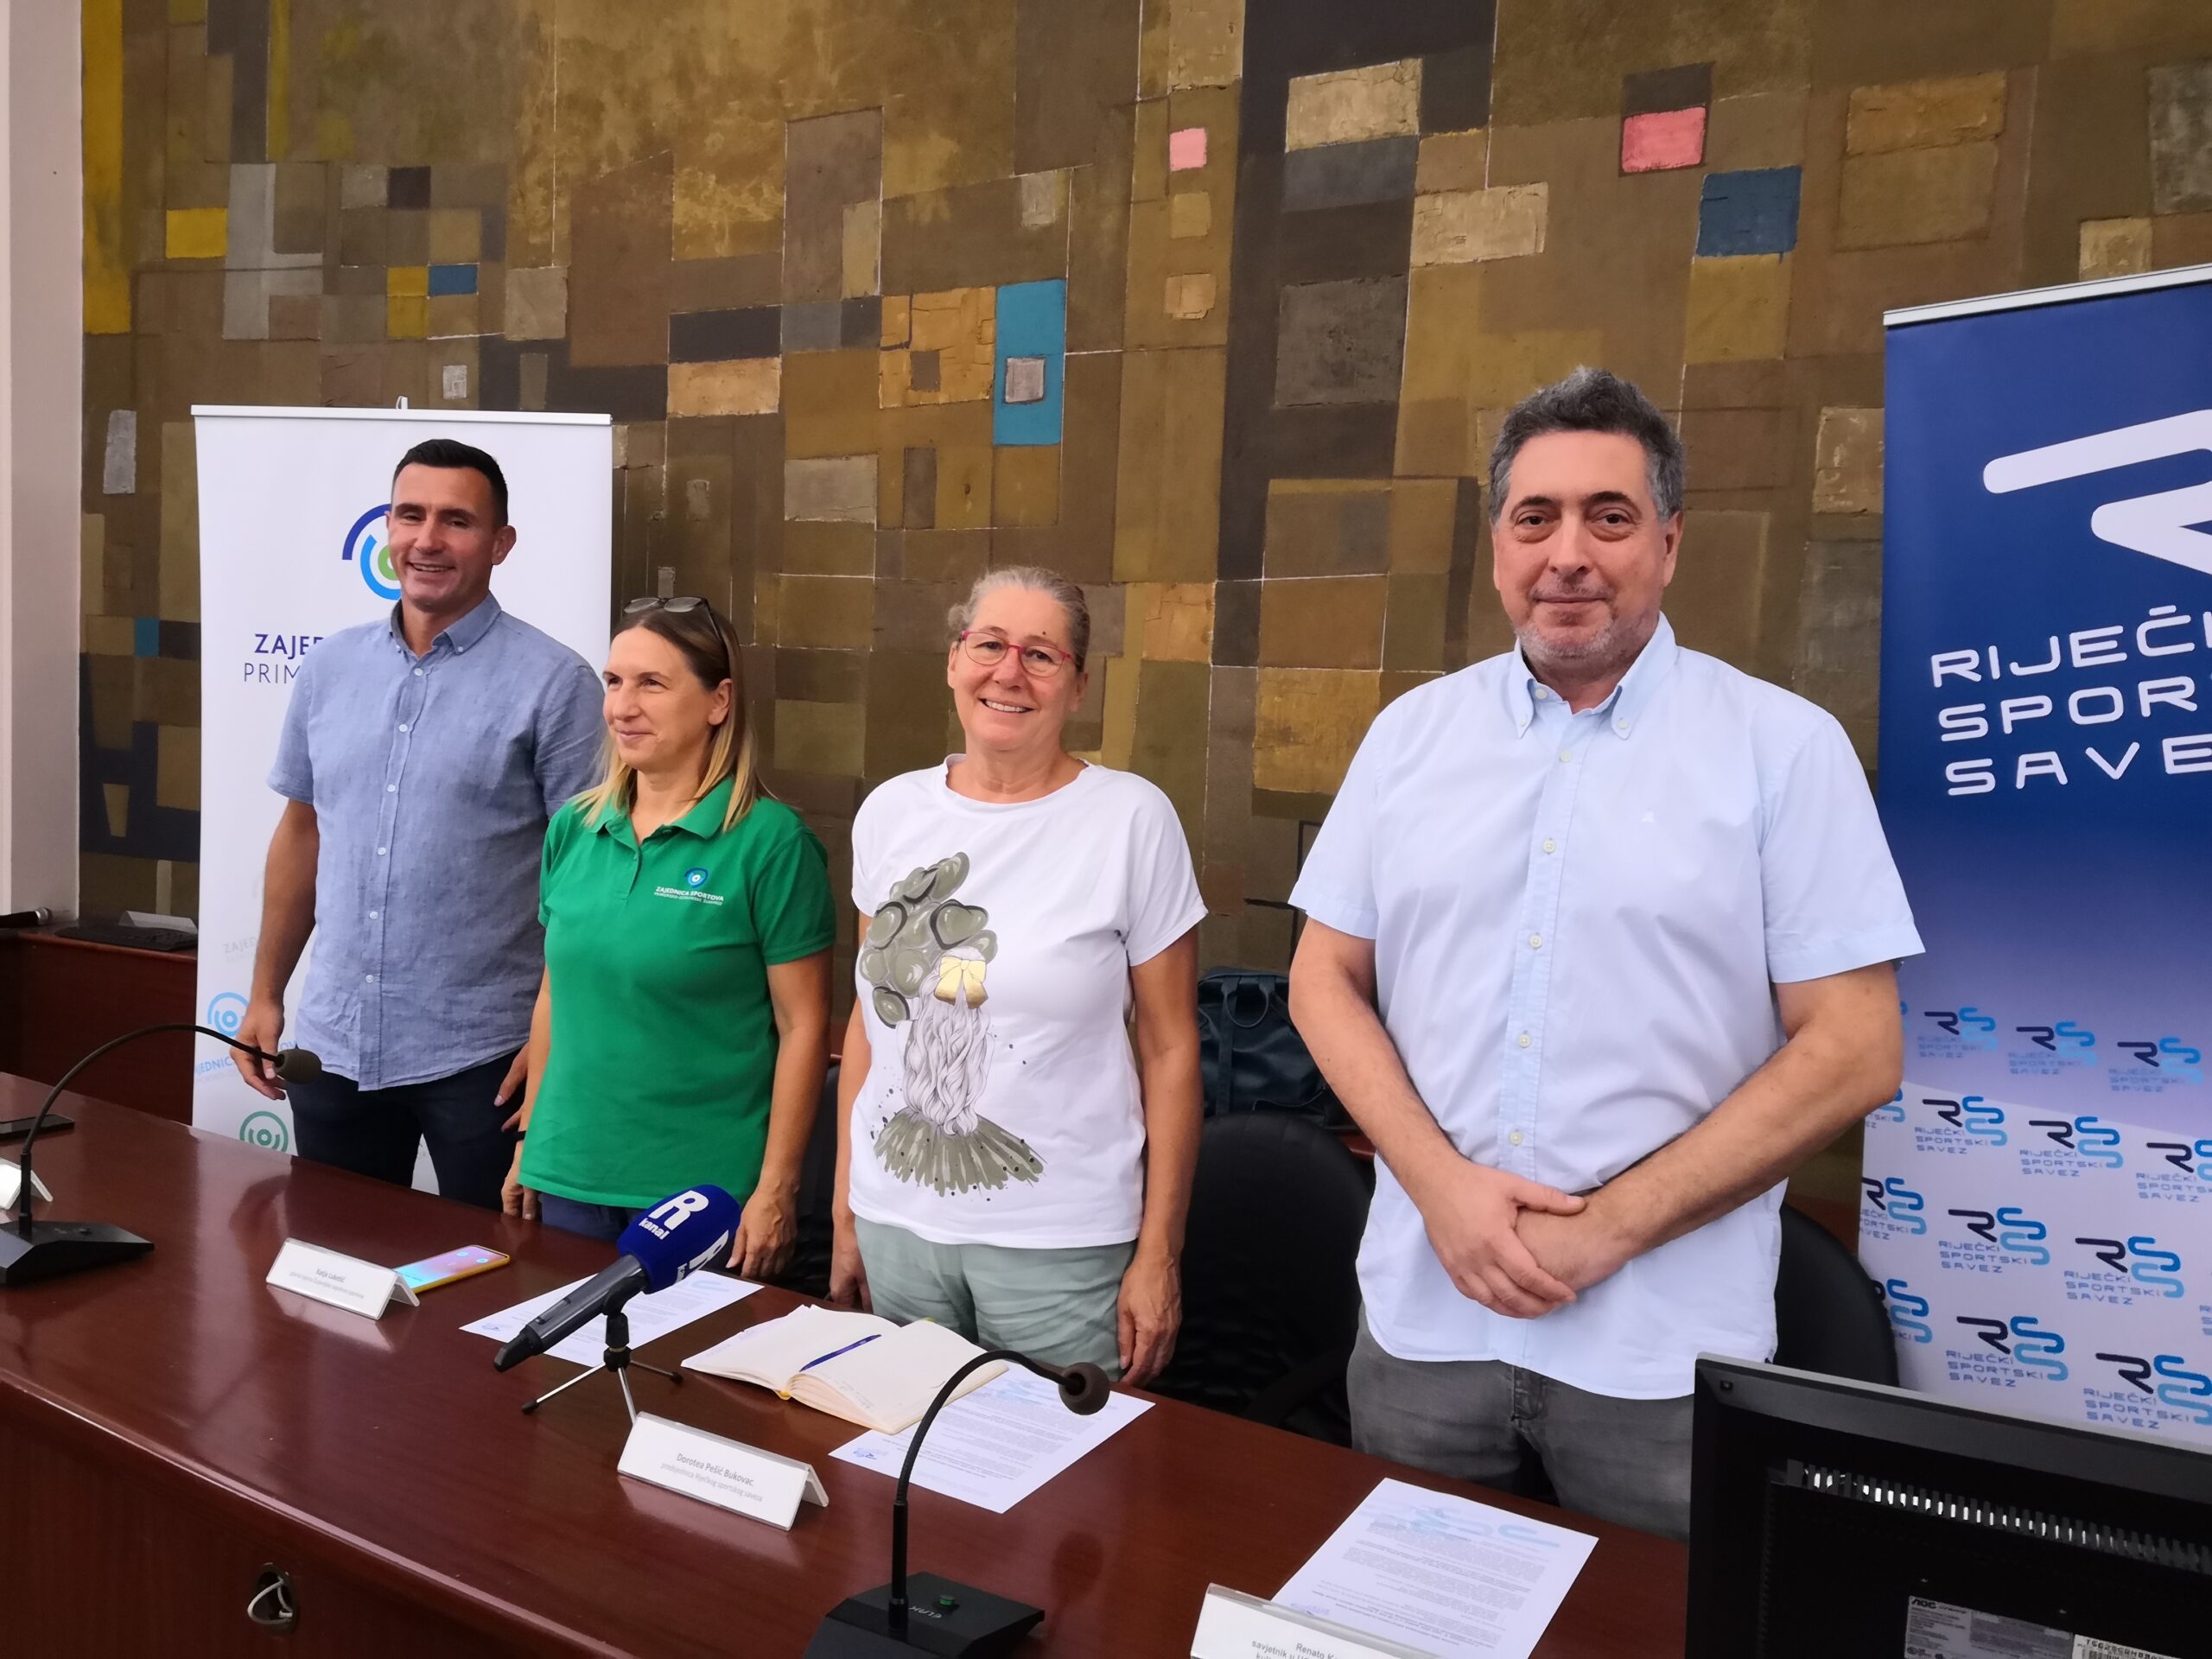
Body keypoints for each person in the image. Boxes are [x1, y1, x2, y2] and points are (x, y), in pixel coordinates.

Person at [1287, 367, 1921, 1540]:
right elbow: (1323, 978)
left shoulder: (1782, 751)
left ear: (1670, 544)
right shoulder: (1408, 739)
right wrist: (1440, 1188)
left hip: (1664, 1356)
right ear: (1497, 546)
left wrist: (1613, 1228)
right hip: (1427, 1323)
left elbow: (1855, 1047)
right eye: (1536, 518)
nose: (1567, 553)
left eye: (1609, 517)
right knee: (1415, 1626)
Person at [828, 568, 1205, 1385]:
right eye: (989, 644)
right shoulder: (892, 811)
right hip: (897, 1225)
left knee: (1055, 1497)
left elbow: (1173, 1050)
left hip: (1060, 1243)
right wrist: (845, 1207)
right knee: (905, 1472)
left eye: (1041, 655)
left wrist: (1158, 1254)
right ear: (954, 659)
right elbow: (868, 1019)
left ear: (1078, 686)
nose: (1009, 672)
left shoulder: (1131, 819)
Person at [235, 439, 603, 1209]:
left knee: (491, 1288)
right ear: (388, 529)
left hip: (487, 1055)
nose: (428, 539)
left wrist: (559, 1040)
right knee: (333, 1276)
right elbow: (302, 834)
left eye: (457, 521)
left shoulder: (555, 684)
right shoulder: (330, 668)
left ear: (500, 544)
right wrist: (266, 992)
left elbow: (589, 883)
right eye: (410, 515)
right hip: (332, 1047)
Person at [504, 597, 834, 1277]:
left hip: (700, 1198)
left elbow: (804, 1028)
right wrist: (533, 1141)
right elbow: (556, 993)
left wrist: (777, 1189)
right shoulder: (574, 826)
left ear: (720, 702)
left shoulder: (771, 843)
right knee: (570, 1375)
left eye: (652, 684)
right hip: (569, 1177)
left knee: (676, 1379)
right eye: (615, 682)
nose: (623, 706)